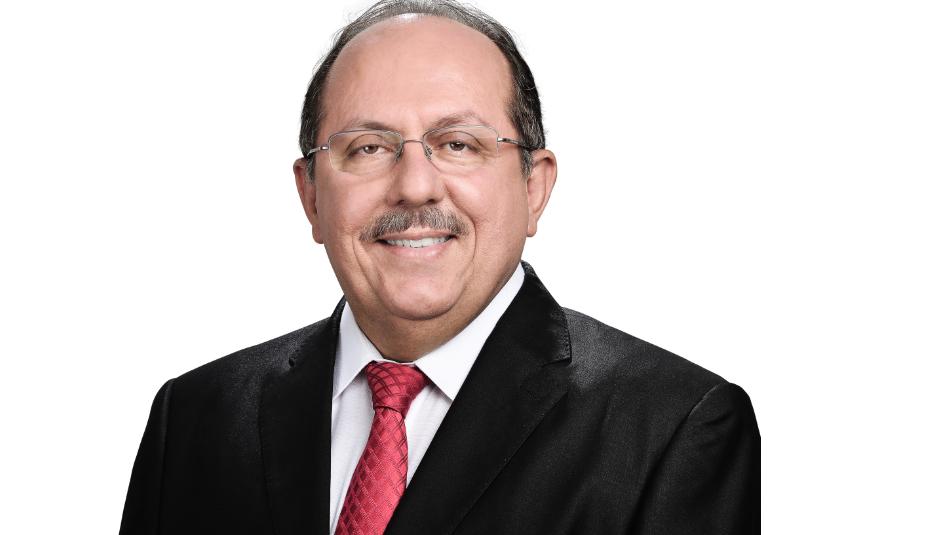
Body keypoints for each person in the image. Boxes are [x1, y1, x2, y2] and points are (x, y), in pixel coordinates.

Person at [119, 1, 760, 533]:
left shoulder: (674, 427)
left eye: (459, 144)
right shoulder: (195, 418)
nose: (415, 186)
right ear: (311, 195)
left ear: (534, 187)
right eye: (368, 148)